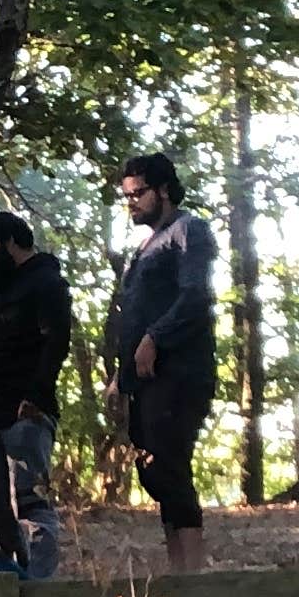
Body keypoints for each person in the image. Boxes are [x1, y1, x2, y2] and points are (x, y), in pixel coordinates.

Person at [103, 150, 218, 575]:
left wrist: (156, 337)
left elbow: (195, 296)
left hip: (180, 373)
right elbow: (133, 317)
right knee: (153, 471)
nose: (131, 202)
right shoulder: (143, 248)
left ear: (164, 190)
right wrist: (121, 377)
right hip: (144, 381)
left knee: (170, 464)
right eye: (127, 195)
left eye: (139, 193)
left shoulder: (189, 231)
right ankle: (178, 574)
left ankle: (192, 574)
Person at [0, 211, 72, 577]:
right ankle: (14, 583)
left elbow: (56, 343)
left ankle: (37, 588)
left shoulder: (46, 282)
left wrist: (36, 397)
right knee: (0, 506)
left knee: (30, 501)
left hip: (27, 413)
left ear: (10, 242)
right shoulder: (5, 289)